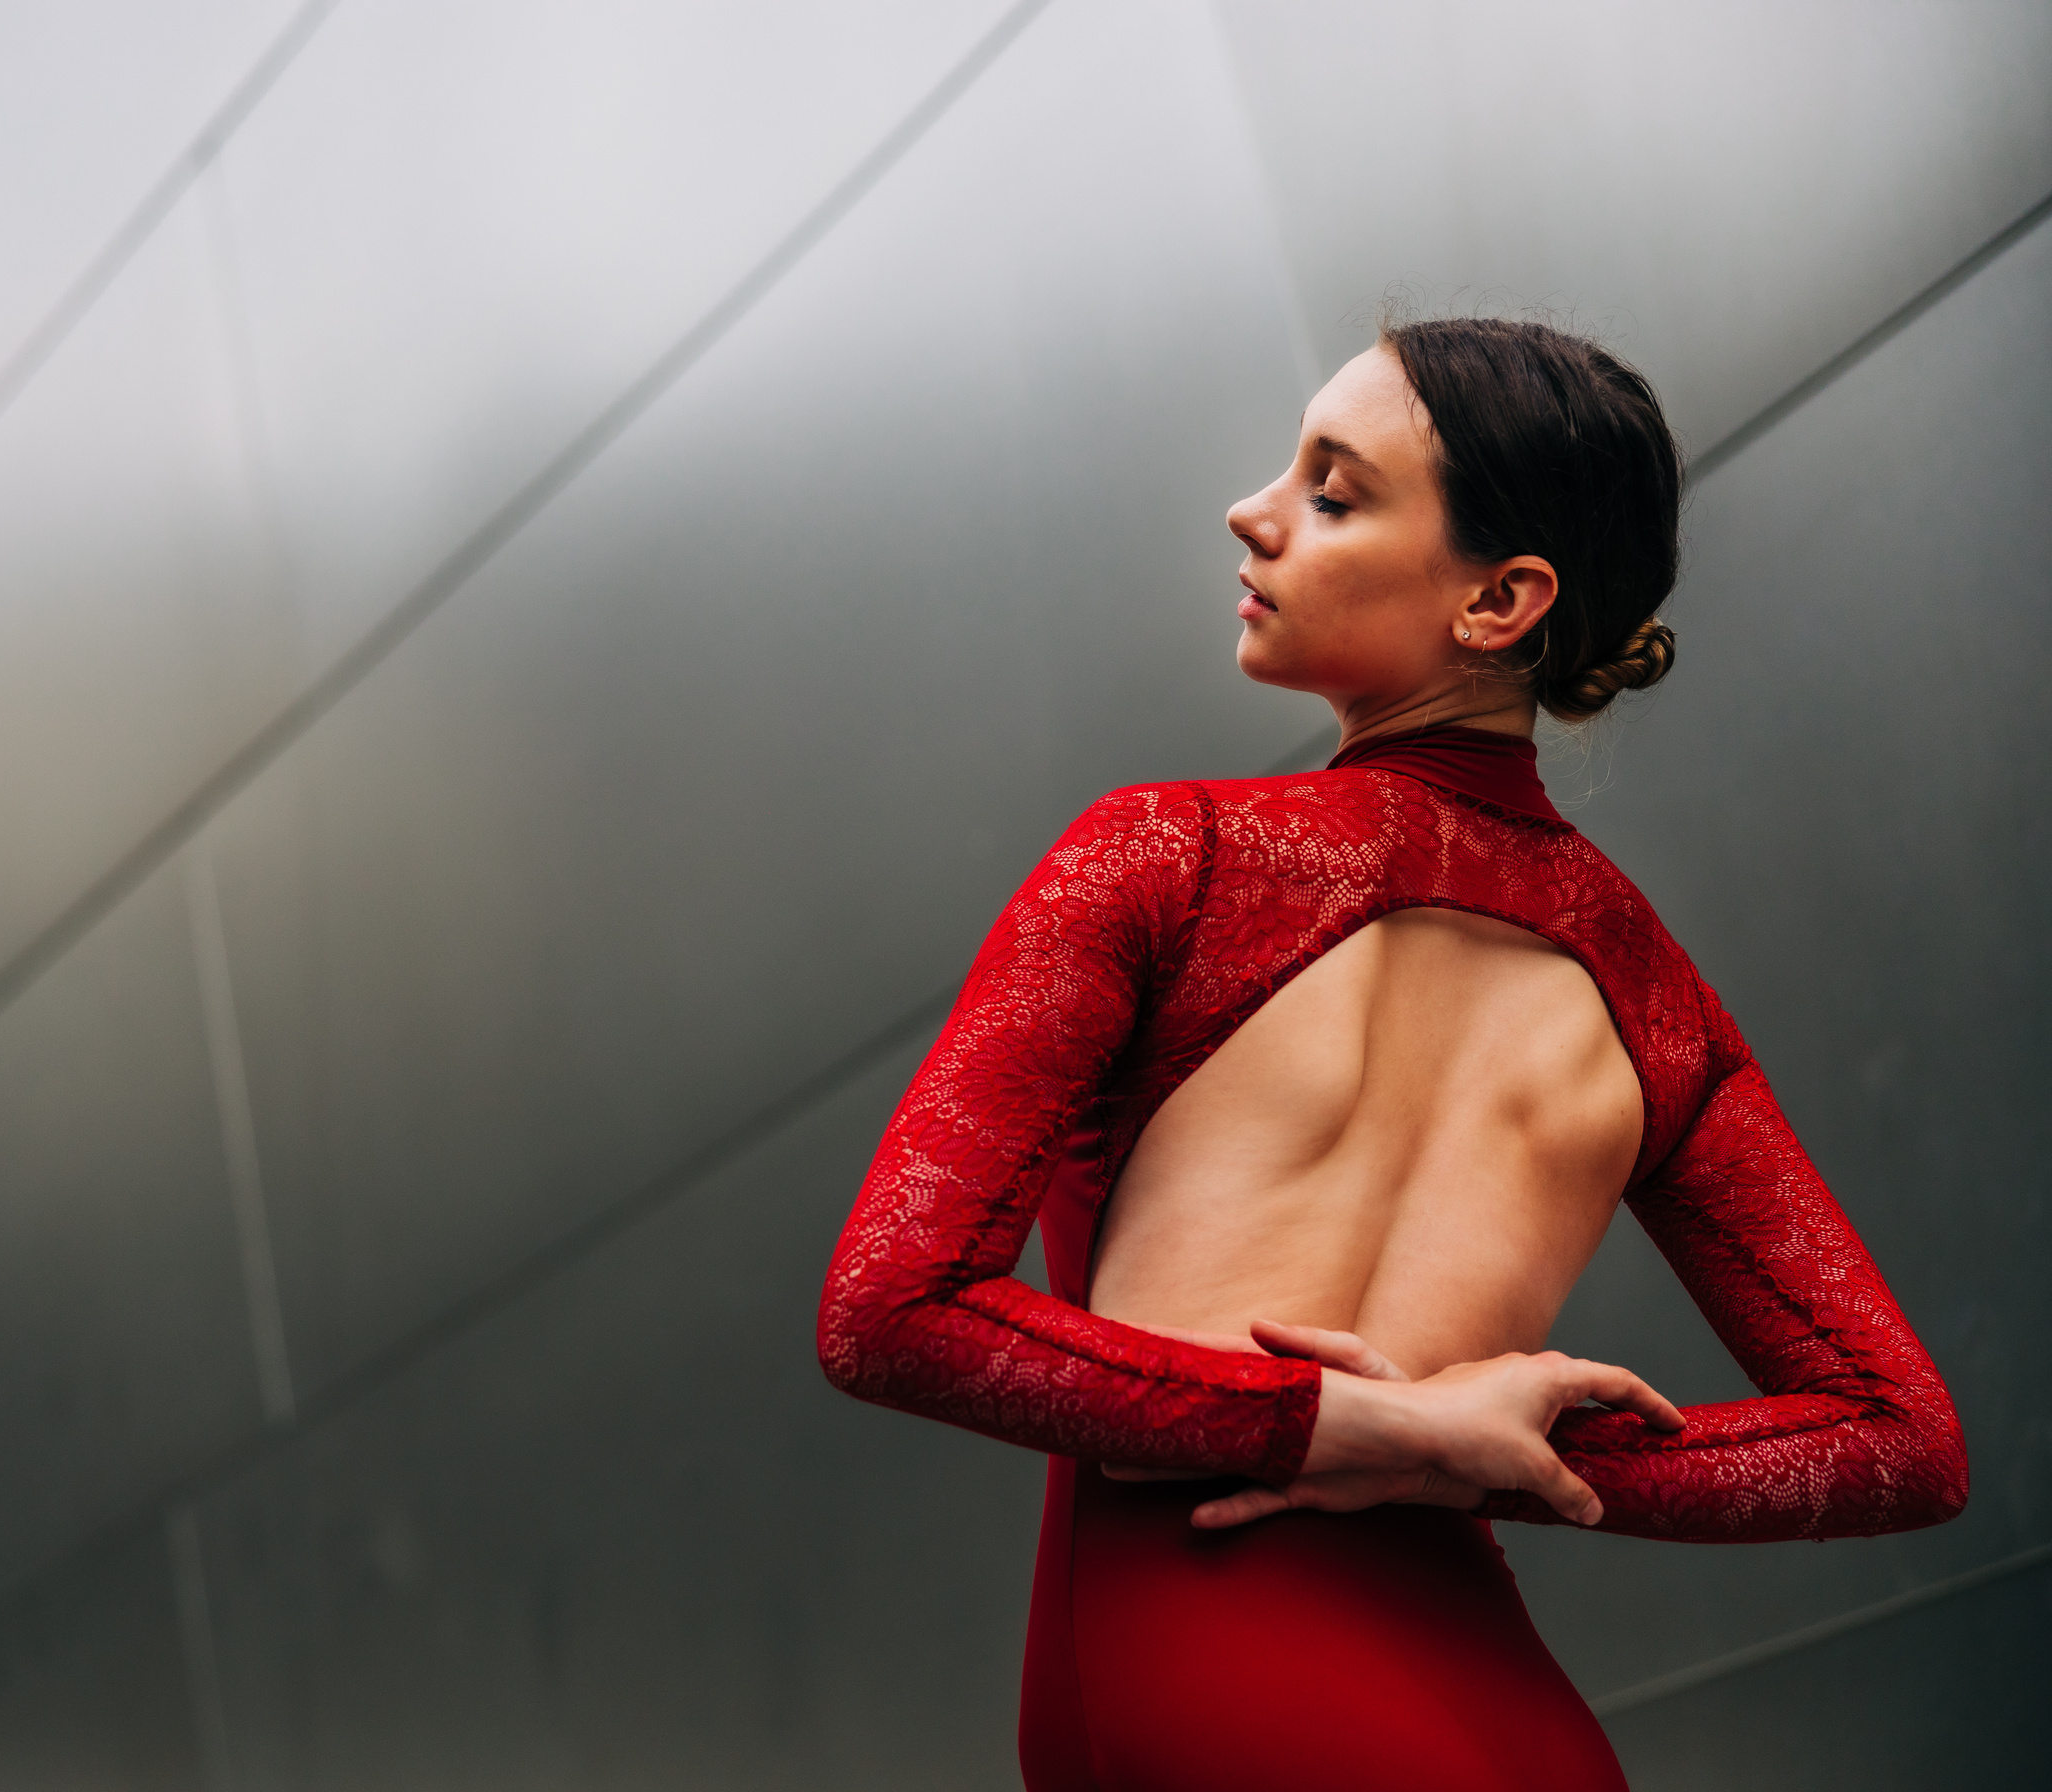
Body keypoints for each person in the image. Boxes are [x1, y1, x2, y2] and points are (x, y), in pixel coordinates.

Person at [815, 315, 1966, 1791]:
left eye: (1332, 491)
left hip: (1221, 1686)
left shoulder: (1165, 858)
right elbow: (1897, 1443)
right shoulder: (1654, 998)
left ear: (1499, 600)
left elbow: (891, 1309)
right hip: (1509, 1717)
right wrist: (1467, 1451)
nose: (1252, 512)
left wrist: (1348, 1428)